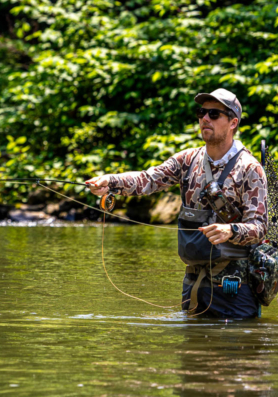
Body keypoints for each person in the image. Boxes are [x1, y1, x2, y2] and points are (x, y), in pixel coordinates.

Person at [85, 89, 268, 318]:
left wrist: (230, 230)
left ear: (233, 123)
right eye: (201, 112)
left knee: (233, 349)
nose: (205, 119)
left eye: (213, 114)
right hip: (193, 284)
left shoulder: (250, 169)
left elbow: (259, 229)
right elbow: (148, 179)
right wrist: (110, 181)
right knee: (190, 350)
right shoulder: (188, 160)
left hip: (235, 287)